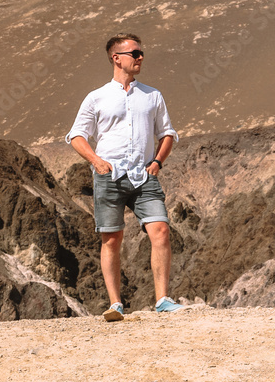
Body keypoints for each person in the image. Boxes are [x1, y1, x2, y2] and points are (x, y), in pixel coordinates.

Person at [66, 33, 186, 321]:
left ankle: (162, 299)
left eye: (141, 53)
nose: (140, 57)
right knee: (112, 238)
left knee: (161, 230)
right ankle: (115, 303)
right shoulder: (97, 97)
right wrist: (96, 161)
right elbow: (76, 135)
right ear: (116, 58)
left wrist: (157, 161)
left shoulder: (152, 95)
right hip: (110, 175)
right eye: (135, 53)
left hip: (144, 175)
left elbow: (167, 133)